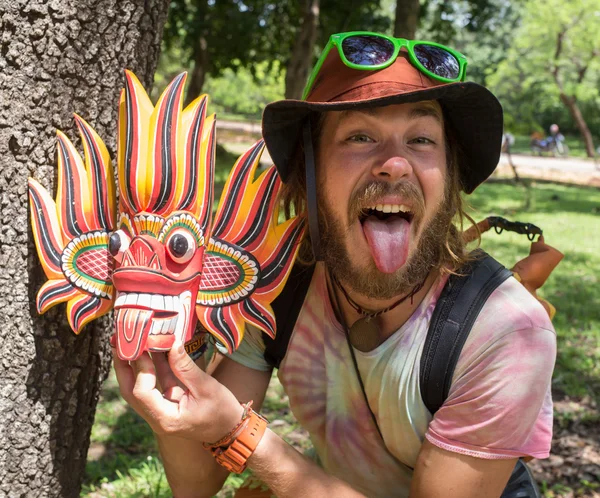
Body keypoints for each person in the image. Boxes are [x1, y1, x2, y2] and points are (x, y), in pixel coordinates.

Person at [114, 32, 556, 498]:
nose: (394, 165)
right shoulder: (278, 283)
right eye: (360, 136)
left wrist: (244, 437)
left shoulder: (505, 330)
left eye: (421, 139)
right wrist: (175, 370)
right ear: (309, 173)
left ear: (448, 178)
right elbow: (197, 483)